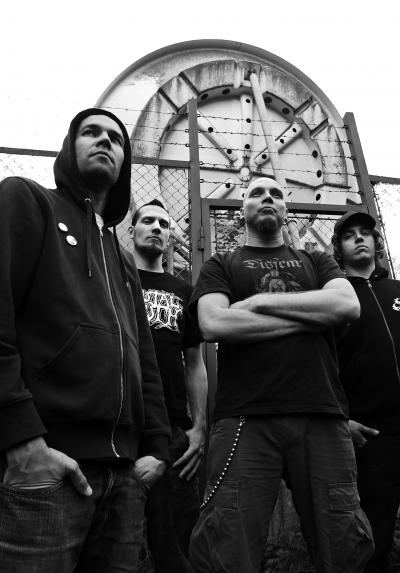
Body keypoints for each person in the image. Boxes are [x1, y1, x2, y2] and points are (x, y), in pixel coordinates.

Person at [0, 108, 171, 573]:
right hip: (47, 471)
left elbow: (145, 359)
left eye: (115, 138)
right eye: (90, 132)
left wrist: (156, 447)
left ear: (125, 161)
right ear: (68, 147)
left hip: (125, 478)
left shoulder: (123, 257)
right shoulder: (27, 201)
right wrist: (21, 440)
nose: (104, 141)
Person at [188, 177, 374, 573]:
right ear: (242, 210)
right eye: (256, 193)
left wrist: (258, 302)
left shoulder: (315, 260)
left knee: (342, 545)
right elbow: (214, 323)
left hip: (321, 414)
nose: (267, 198)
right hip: (244, 418)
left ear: (286, 210)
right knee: (227, 548)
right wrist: (311, 318)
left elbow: (347, 305)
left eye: (276, 193)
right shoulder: (221, 265)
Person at [130, 199, 208, 573]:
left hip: (174, 430)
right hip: (121, 424)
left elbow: (195, 364)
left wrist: (199, 427)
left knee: (176, 541)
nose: (157, 228)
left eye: (164, 223)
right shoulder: (114, 280)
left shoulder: (183, 291)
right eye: (148, 221)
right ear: (132, 231)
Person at [332, 211, 400, 572]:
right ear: (339, 249)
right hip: (373, 436)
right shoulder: (336, 299)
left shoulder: (398, 290)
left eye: (365, 233)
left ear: (376, 242)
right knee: (375, 535)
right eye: (349, 235)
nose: (359, 238)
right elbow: (323, 368)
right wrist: (342, 420)